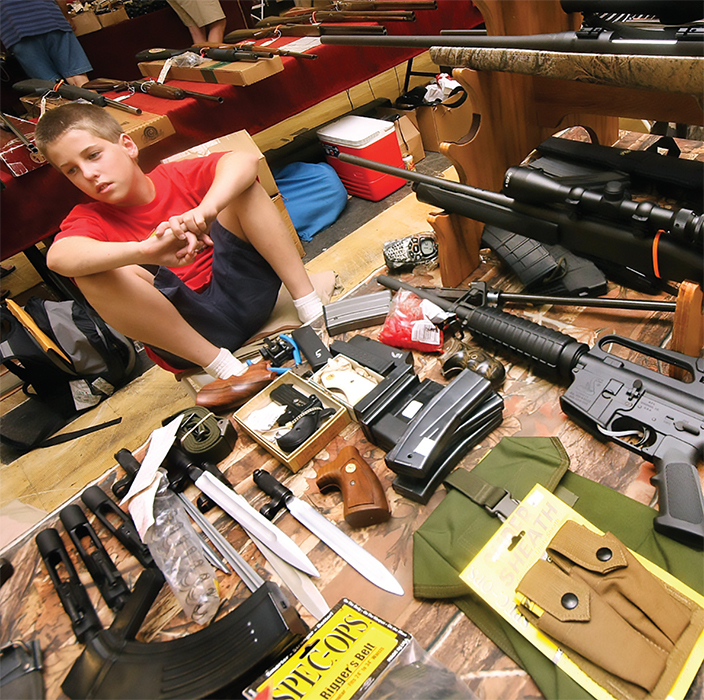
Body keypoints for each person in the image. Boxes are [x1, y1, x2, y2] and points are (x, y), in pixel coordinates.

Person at [34, 102, 323, 385]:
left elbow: (243, 160)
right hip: (192, 335)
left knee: (241, 187)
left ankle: (310, 307)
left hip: (249, 295)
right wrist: (144, 251)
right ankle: (224, 368)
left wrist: (206, 209)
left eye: (94, 155)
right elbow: (58, 257)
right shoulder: (89, 218)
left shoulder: (174, 176)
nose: (87, 174)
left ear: (128, 145)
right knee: (92, 274)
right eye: (71, 170)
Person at [0, 0, 92, 87]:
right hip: (51, 18)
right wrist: (67, 18)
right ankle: (95, 102)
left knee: (52, 86)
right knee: (77, 77)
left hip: (16, 31)